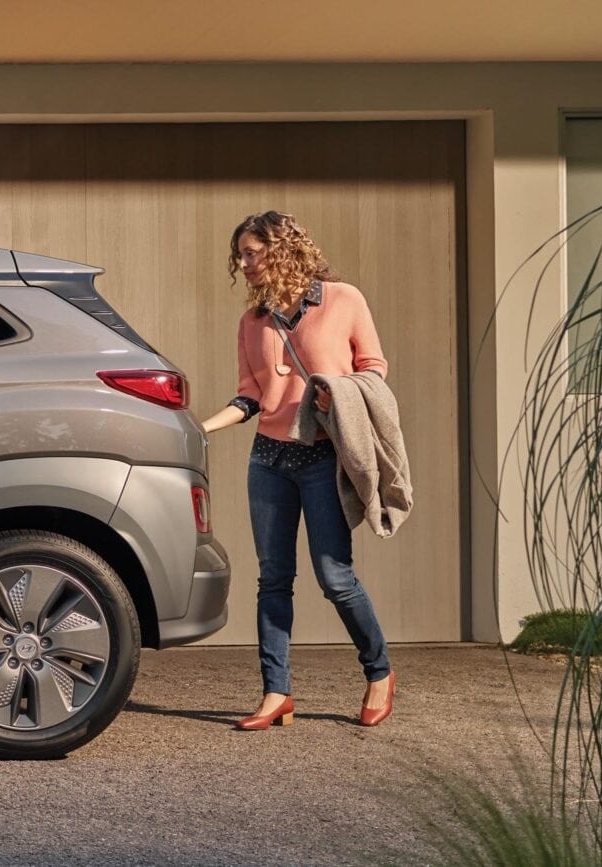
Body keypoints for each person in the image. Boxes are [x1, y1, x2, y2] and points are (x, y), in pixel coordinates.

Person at [196, 211, 396, 730]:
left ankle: (379, 672)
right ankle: (276, 692)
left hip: (323, 455)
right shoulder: (253, 322)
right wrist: (200, 429)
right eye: (240, 255)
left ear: (281, 249)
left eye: (251, 252)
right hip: (269, 459)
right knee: (274, 579)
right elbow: (251, 396)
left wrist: (338, 390)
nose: (243, 264)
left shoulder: (343, 300)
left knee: (336, 577)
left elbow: (373, 369)